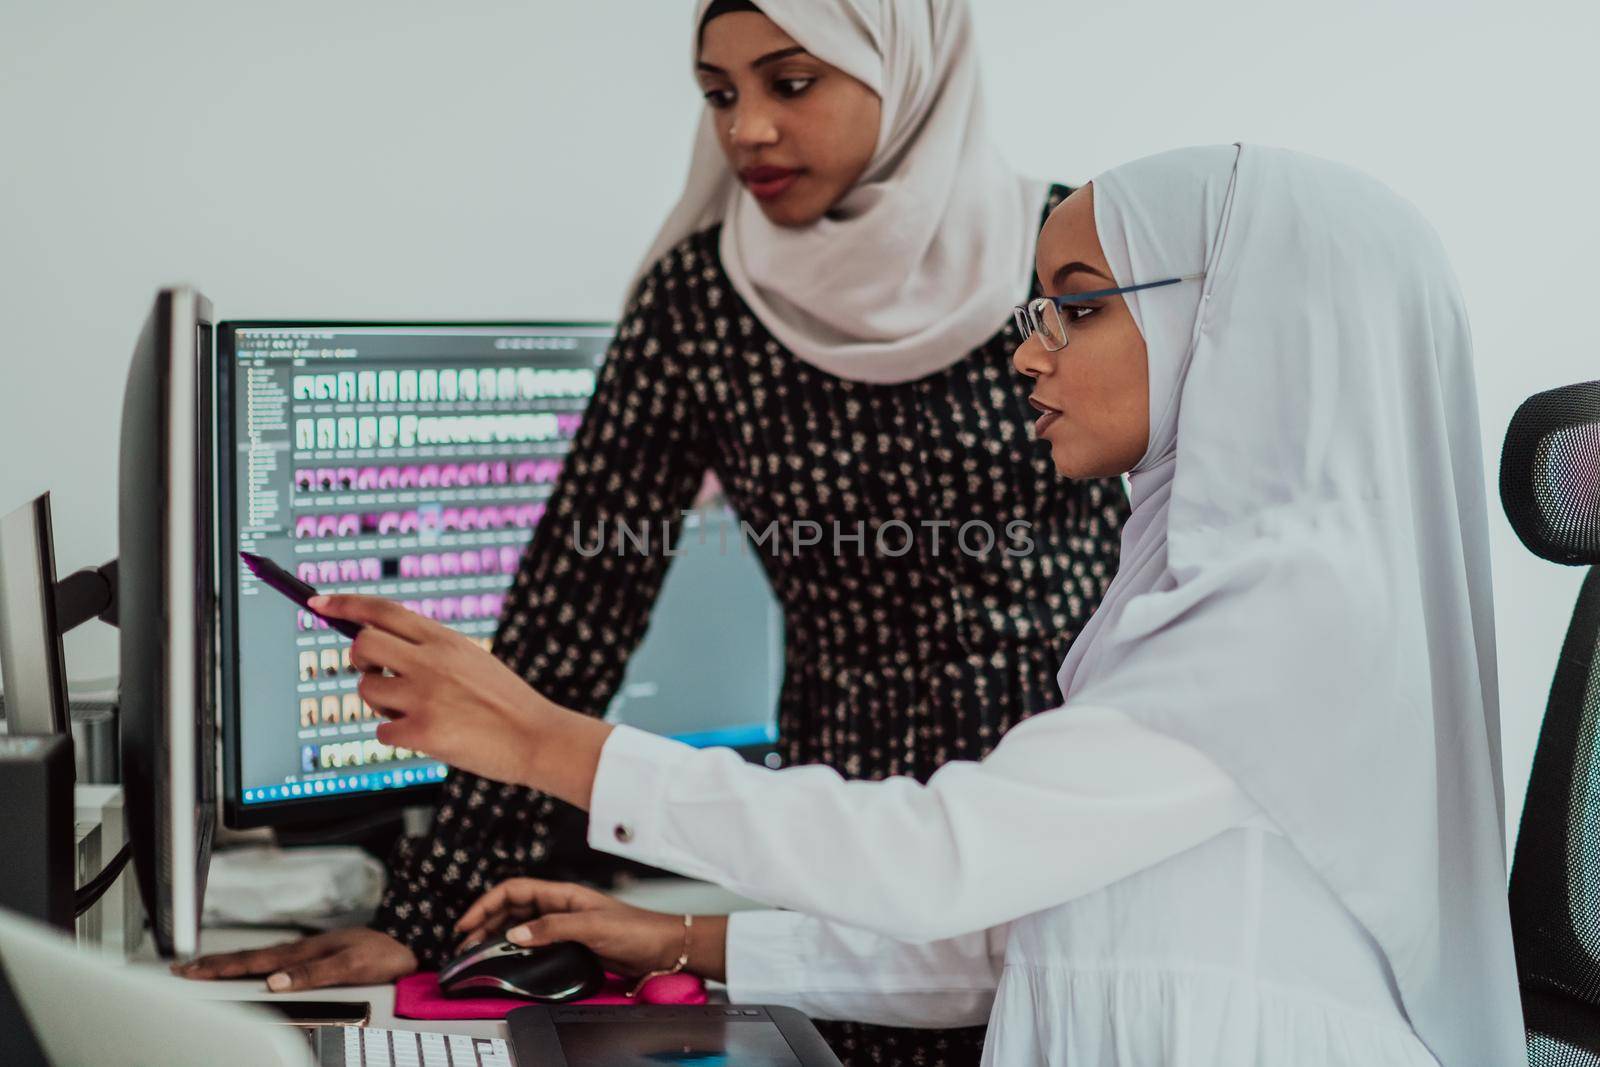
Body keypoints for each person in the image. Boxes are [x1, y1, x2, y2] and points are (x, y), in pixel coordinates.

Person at [287, 144, 1526, 1065]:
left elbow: (947, 859)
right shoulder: (1200, 577)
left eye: (1080, 307)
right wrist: (670, 941)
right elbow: (1009, 935)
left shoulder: (1291, 606)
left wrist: (536, 738)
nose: (1027, 352)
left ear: (1244, 325)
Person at [179, 3, 1127, 1063]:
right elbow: (573, 612)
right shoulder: (705, 298)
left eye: (790, 82)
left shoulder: (1067, 265)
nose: (747, 130)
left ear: (906, 68)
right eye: (718, 93)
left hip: (1067, 816)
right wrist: (428, 908)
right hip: (835, 826)